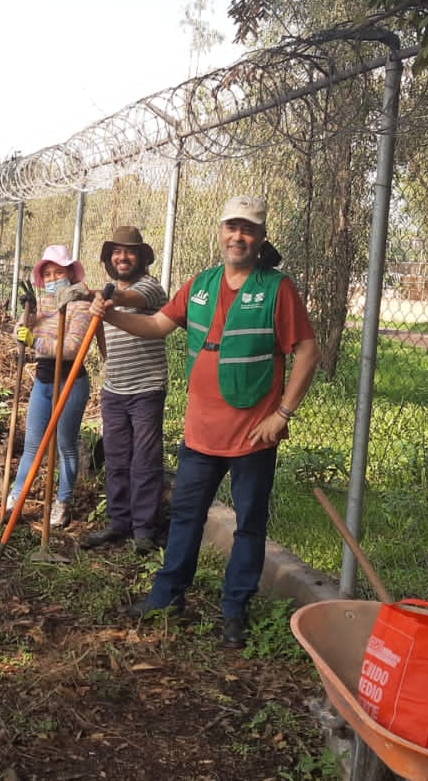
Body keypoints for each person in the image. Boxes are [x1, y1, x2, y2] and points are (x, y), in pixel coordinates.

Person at [92, 195, 319, 649]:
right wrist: (112, 315)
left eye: (249, 229)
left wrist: (282, 414)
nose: (239, 236)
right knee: (185, 515)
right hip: (201, 430)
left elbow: (307, 351)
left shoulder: (278, 289)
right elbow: (157, 325)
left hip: (254, 433)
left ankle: (235, 609)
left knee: (249, 524)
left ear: (260, 237)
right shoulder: (201, 284)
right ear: (221, 231)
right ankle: (166, 595)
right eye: (232, 227)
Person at [82, 226, 169, 555]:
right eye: (117, 251)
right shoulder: (106, 297)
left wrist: (103, 297)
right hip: (114, 389)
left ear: (141, 257)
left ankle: (144, 529)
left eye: (130, 251)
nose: (123, 256)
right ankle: (119, 523)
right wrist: (100, 302)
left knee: (145, 460)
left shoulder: (149, 288)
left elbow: (130, 299)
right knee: (117, 459)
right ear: (109, 258)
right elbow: (102, 336)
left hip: (147, 388)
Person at [7, 244, 95, 529]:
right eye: (49, 272)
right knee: (32, 445)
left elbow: (71, 348)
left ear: (70, 272)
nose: (54, 276)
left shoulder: (81, 305)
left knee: (65, 445)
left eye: (59, 271)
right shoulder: (43, 302)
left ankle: (62, 503)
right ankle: (14, 501)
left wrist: (35, 342)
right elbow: (21, 333)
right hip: (44, 380)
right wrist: (26, 315)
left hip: (71, 381)